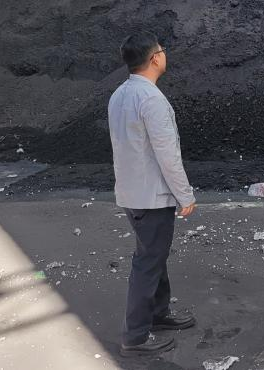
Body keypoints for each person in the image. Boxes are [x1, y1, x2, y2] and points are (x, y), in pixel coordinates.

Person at [108, 32, 197, 357]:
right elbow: (167, 154)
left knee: (152, 255)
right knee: (147, 263)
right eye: (162, 50)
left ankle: (158, 313)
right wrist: (185, 195)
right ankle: (135, 337)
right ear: (155, 58)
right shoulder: (151, 99)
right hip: (152, 196)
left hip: (131, 193)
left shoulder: (120, 94)